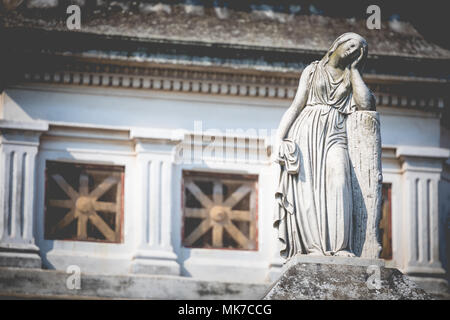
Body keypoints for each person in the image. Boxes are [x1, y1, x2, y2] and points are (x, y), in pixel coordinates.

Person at [274, 32, 376, 259]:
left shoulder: (351, 77)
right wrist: (279, 139)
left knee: (339, 181)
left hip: (336, 133)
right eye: (350, 43)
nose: (352, 49)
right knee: (307, 189)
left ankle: (340, 247)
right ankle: (313, 247)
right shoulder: (312, 70)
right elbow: (296, 106)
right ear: (337, 44)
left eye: (358, 48)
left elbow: (366, 104)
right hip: (306, 132)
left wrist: (356, 70)